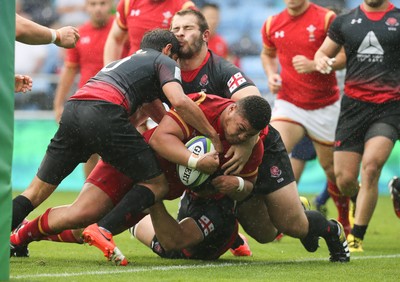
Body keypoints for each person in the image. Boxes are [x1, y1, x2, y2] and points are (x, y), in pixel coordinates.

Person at [83, 9, 350, 263]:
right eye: (175, 29)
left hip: (258, 149)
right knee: (208, 239)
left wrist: (248, 142)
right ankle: (231, 233)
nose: (180, 34)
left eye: (187, 28)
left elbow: (255, 105)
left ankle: (330, 230)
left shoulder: (222, 70)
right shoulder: (163, 70)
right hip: (211, 155)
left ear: (205, 35)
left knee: (284, 227)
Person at [11, 94, 270, 265]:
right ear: (233, 109)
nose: (241, 137)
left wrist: (235, 185)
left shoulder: (251, 144)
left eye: (251, 134)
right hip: (133, 161)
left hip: (152, 191)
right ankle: (19, 235)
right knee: (81, 213)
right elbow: (159, 139)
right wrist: (195, 161)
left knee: (81, 231)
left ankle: (22, 235)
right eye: (241, 129)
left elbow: (247, 187)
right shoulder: (202, 105)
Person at [10, 29, 222, 235]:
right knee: (157, 183)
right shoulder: (163, 60)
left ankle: (11, 237)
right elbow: (180, 102)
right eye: (176, 59)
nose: (176, 64)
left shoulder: (128, 62)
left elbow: (156, 111)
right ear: (168, 49)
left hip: (74, 109)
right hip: (104, 112)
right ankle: (102, 230)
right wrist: (212, 134)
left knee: (34, 193)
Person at [259, 0, 351, 236]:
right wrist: (271, 75)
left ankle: (343, 220)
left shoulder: (326, 19)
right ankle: (282, 220)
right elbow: (267, 54)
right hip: (289, 104)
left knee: (332, 170)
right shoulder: (272, 24)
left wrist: (315, 64)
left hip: (325, 105)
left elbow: (343, 56)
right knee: (266, 151)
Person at [314, 0, 400, 252]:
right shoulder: (344, 21)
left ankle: (357, 236)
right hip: (353, 108)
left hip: (389, 107)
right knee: (345, 179)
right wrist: (320, 61)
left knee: (371, 167)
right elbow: (322, 52)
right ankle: (359, 197)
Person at [53, 0, 117, 177]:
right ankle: (89, 196)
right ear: (86, 7)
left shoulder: (120, 29)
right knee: (90, 153)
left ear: (110, 5)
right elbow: (70, 69)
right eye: (93, 4)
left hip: (119, 100)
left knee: (118, 152)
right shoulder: (79, 34)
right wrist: (58, 104)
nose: (98, 8)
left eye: (103, 3)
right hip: (88, 103)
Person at [103, 0, 196, 64]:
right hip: (133, 75)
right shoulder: (129, 2)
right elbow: (115, 39)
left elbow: (192, 49)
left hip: (166, 77)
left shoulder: (185, 8)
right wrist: (108, 74)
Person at [291, 136, 330, 217]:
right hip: (305, 126)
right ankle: (285, 207)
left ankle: (321, 199)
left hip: (329, 127)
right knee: (296, 163)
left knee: (337, 171)